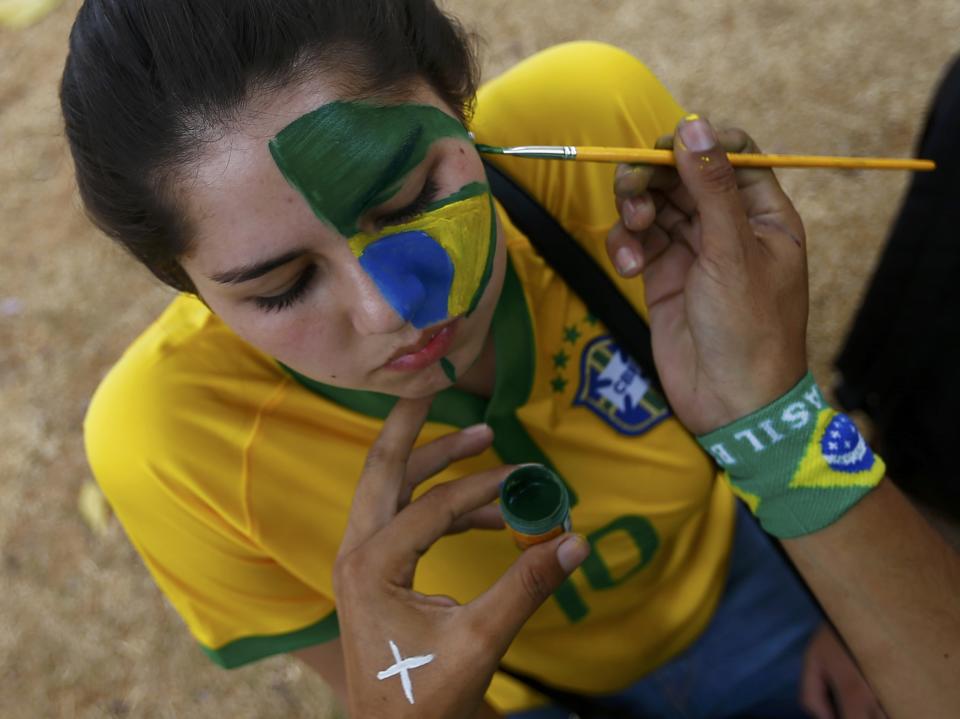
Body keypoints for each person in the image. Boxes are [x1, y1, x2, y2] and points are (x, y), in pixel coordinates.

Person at [62, 1, 883, 716]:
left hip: (764, 576)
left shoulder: (597, 124)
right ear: (187, 284)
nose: (390, 308)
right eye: (280, 286)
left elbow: (779, 402)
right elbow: (386, 688)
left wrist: (857, 610)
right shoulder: (168, 443)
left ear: (458, 97)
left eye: (409, 199)